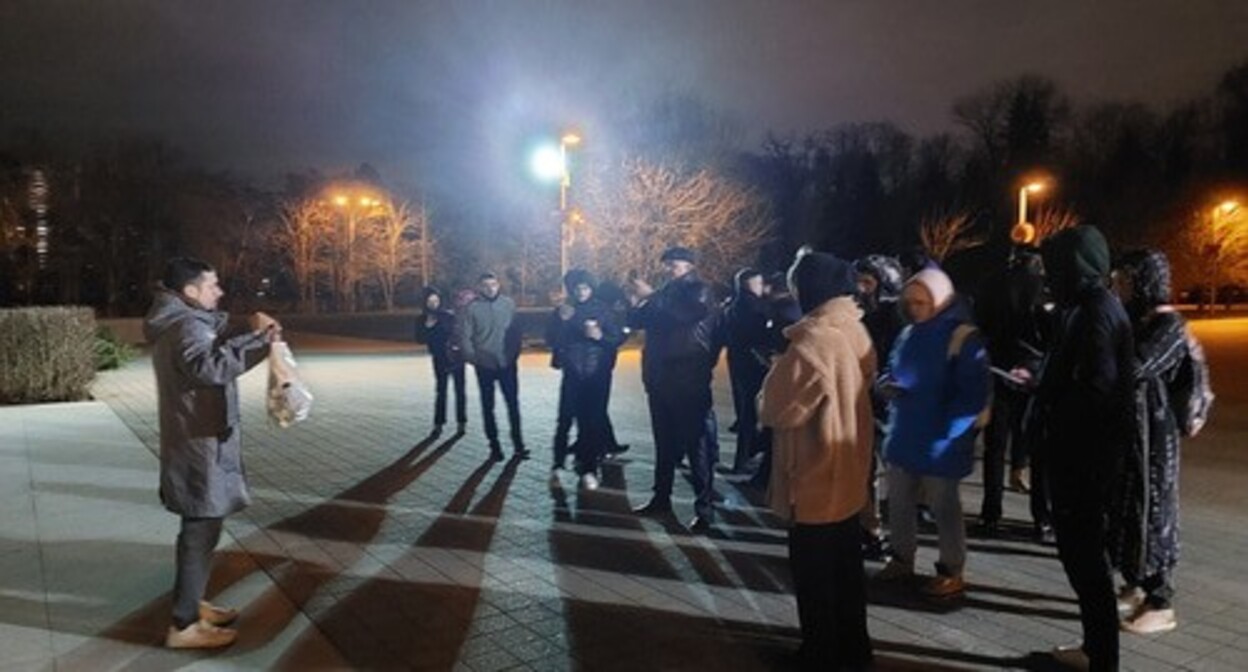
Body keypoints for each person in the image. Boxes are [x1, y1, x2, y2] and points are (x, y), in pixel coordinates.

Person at [144, 257, 279, 649]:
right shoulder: (186, 325)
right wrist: (260, 342)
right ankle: (184, 625)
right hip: (198, 446)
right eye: (212, 285)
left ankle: (191, 604)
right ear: (190, 292)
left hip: (198, 441)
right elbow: (208, 367)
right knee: (199, 531)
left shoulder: (181, 322)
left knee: (203, 529)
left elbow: (211, 342)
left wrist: (249, 328)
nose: (218, 292)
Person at [759, 249, 876, 670]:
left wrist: (774, 373)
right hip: (848, 471)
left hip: (815, 475)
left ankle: (820, 654)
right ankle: (854, 650)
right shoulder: (854, 330)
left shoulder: (813, 343)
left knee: (814, 576)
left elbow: (776, 409)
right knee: (847, 573)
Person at [1033, 226, 1134, 671]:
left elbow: (1096, 390)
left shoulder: (1096, 312)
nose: (1048, 276)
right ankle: (1095, 651)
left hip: (1085, 461)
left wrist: (1051, 404)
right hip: (1077, 456)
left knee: (1087, 562)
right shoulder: (1083, 307)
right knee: (1081, 560)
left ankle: (1102, 659)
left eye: (1055, 267)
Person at [875, 267, 990, 599]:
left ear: (939, 300)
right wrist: (886, 386)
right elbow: (891, 369)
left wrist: (949, 432)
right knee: (898, 504)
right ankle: (901, 558)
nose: (913, 308)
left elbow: (973, 393)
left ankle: (952, 568)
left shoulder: (962, 338)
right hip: (906, 433)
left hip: (939, 440)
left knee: (944, 508)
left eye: (921, 302)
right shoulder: (908, 333)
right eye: (909, 302)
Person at [1108, 249, 1187, 635]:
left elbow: (1138, 365)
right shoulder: (1134, 319)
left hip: (1155, 439)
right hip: (1130, 435)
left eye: (1124, 280)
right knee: (1129, 509)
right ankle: (1137, 585)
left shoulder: (1168, 324)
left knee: (1155, 512)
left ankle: (1161, 601)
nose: (1117, 287)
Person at [628, 246, 719, 532]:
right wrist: (635, 303)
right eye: (667, 265)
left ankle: (704, 509)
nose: (669, 269)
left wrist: (649, 297)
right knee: (664, 442)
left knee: (697, 445)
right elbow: (637, 322)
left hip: (688, 378)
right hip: (660, 378)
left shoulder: (699, 291)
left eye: (675, 265)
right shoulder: (665, 292)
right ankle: (661, 498)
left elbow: (678, 316)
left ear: (690, 266)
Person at [973, 247, 1050, 536]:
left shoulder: (991, 284)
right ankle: (1041, 518)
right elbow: (1050, 333)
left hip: (997, 368)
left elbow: (980, 324)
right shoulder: (1043, 287)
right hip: (1034, 374)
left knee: (995, 445)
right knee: (1035, 444)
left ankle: (990, 512)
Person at [545, 269, 624, 490]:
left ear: (591, 289)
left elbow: (616, 338)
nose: (581, 292)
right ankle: (557, 466)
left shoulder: (602, 310)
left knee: (591, 423)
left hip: (597, 375)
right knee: (564, 421)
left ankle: (589, 470)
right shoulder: (563, 310)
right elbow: (550, 339)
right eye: (577, 288)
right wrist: (561, 321)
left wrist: (600, 336)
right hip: (572, 374)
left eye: (585, 288)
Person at [853, 254, 906, 560]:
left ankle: (897, 537)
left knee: (897, 475)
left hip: (888, 404)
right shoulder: (857, 313)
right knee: (863, 472)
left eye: (867, 282)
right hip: (862, 401)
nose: (861, 288)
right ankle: (869, 530)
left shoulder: (893, 318)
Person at [460, 272, 528, 462]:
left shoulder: (508, 304)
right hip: (485, 365)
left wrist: (514, 354)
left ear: (498, 285)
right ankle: (494, 445)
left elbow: (516, 331)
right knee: (488, 406)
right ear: (480, 287)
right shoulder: (471, 309)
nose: (490, 288)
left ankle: (519, 445)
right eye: (486, 285)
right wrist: (474, 359)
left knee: (513, 405)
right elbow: (465, 337)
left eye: (493, 284)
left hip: (507, 363)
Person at [723, 267, 770, 474]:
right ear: (746, 285)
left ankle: (743, 459)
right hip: (752, 366)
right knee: (750, 415)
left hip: (738, 364)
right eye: (757, 283)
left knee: (745, 413)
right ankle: (744, 460)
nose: (761, 287)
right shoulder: (753, 308)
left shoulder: (733, 306)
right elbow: (758, 337)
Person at [415, 286, 467, 438]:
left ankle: (461, 422)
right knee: (441, 391)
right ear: (425, 302)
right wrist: (427, 327)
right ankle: (438, 424)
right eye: (430, 301)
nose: (434, 303)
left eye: (436, 300)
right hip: (439, 359)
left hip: (456, 358)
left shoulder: (448, 315)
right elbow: (419, 339)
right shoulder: (421, 319)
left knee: (460, 391)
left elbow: (457, 333)